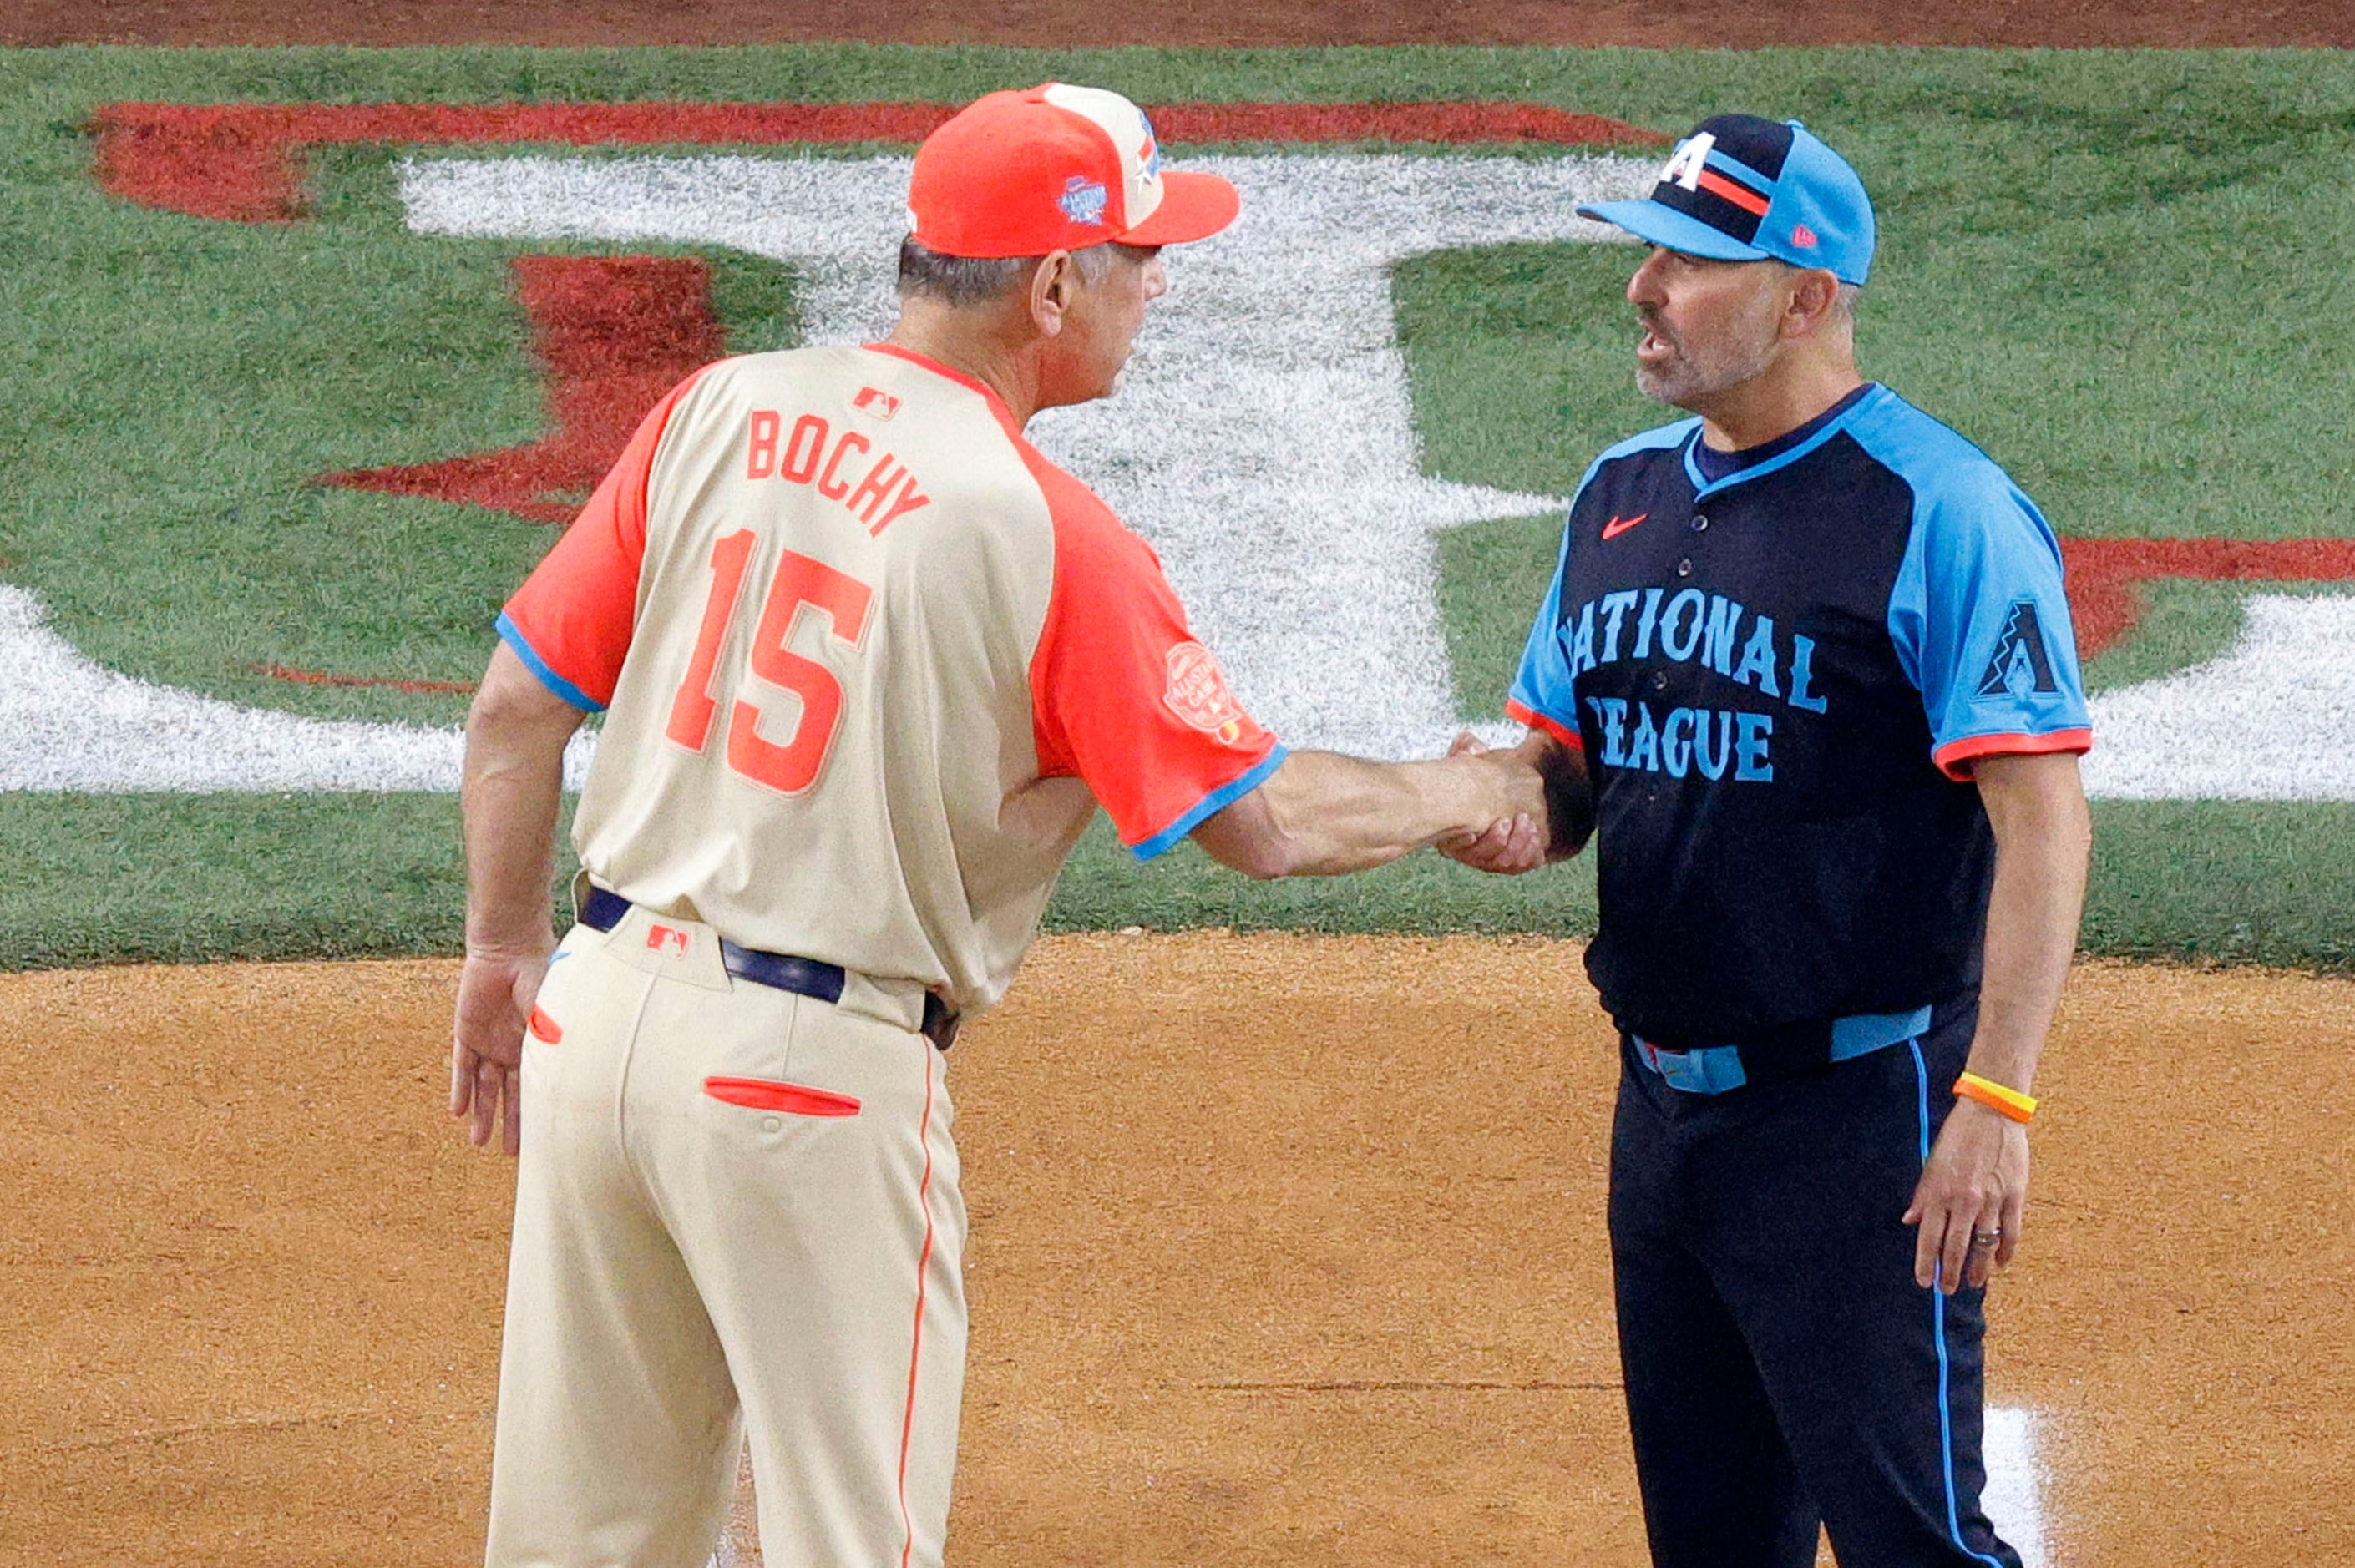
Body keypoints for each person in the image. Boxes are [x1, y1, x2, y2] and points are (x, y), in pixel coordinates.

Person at [448, 83, 1544, 1568]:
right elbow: (1264, 821)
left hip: (593, 1024)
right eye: (1138, 258)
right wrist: (1469, 785)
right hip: (805, 1085)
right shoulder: (1049, 531)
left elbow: (516, 707)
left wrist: (502, 948)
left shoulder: (716, 405)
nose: (1152, 288)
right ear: (1050, 285)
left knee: (580, 1546)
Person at [1449, 114, 2094, 1567]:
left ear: (1806, 296)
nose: (1645, 290)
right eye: (1649, 253)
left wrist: (1996, 1099)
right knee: (1713, 1541)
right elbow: (1569, 773)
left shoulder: (1939, 509)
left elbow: (2042, 815)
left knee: (1916, 1539)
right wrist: (1496, 803)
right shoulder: (1621, 492)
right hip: (1662, 1114)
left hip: (1858, 1120)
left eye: (1690, 261)